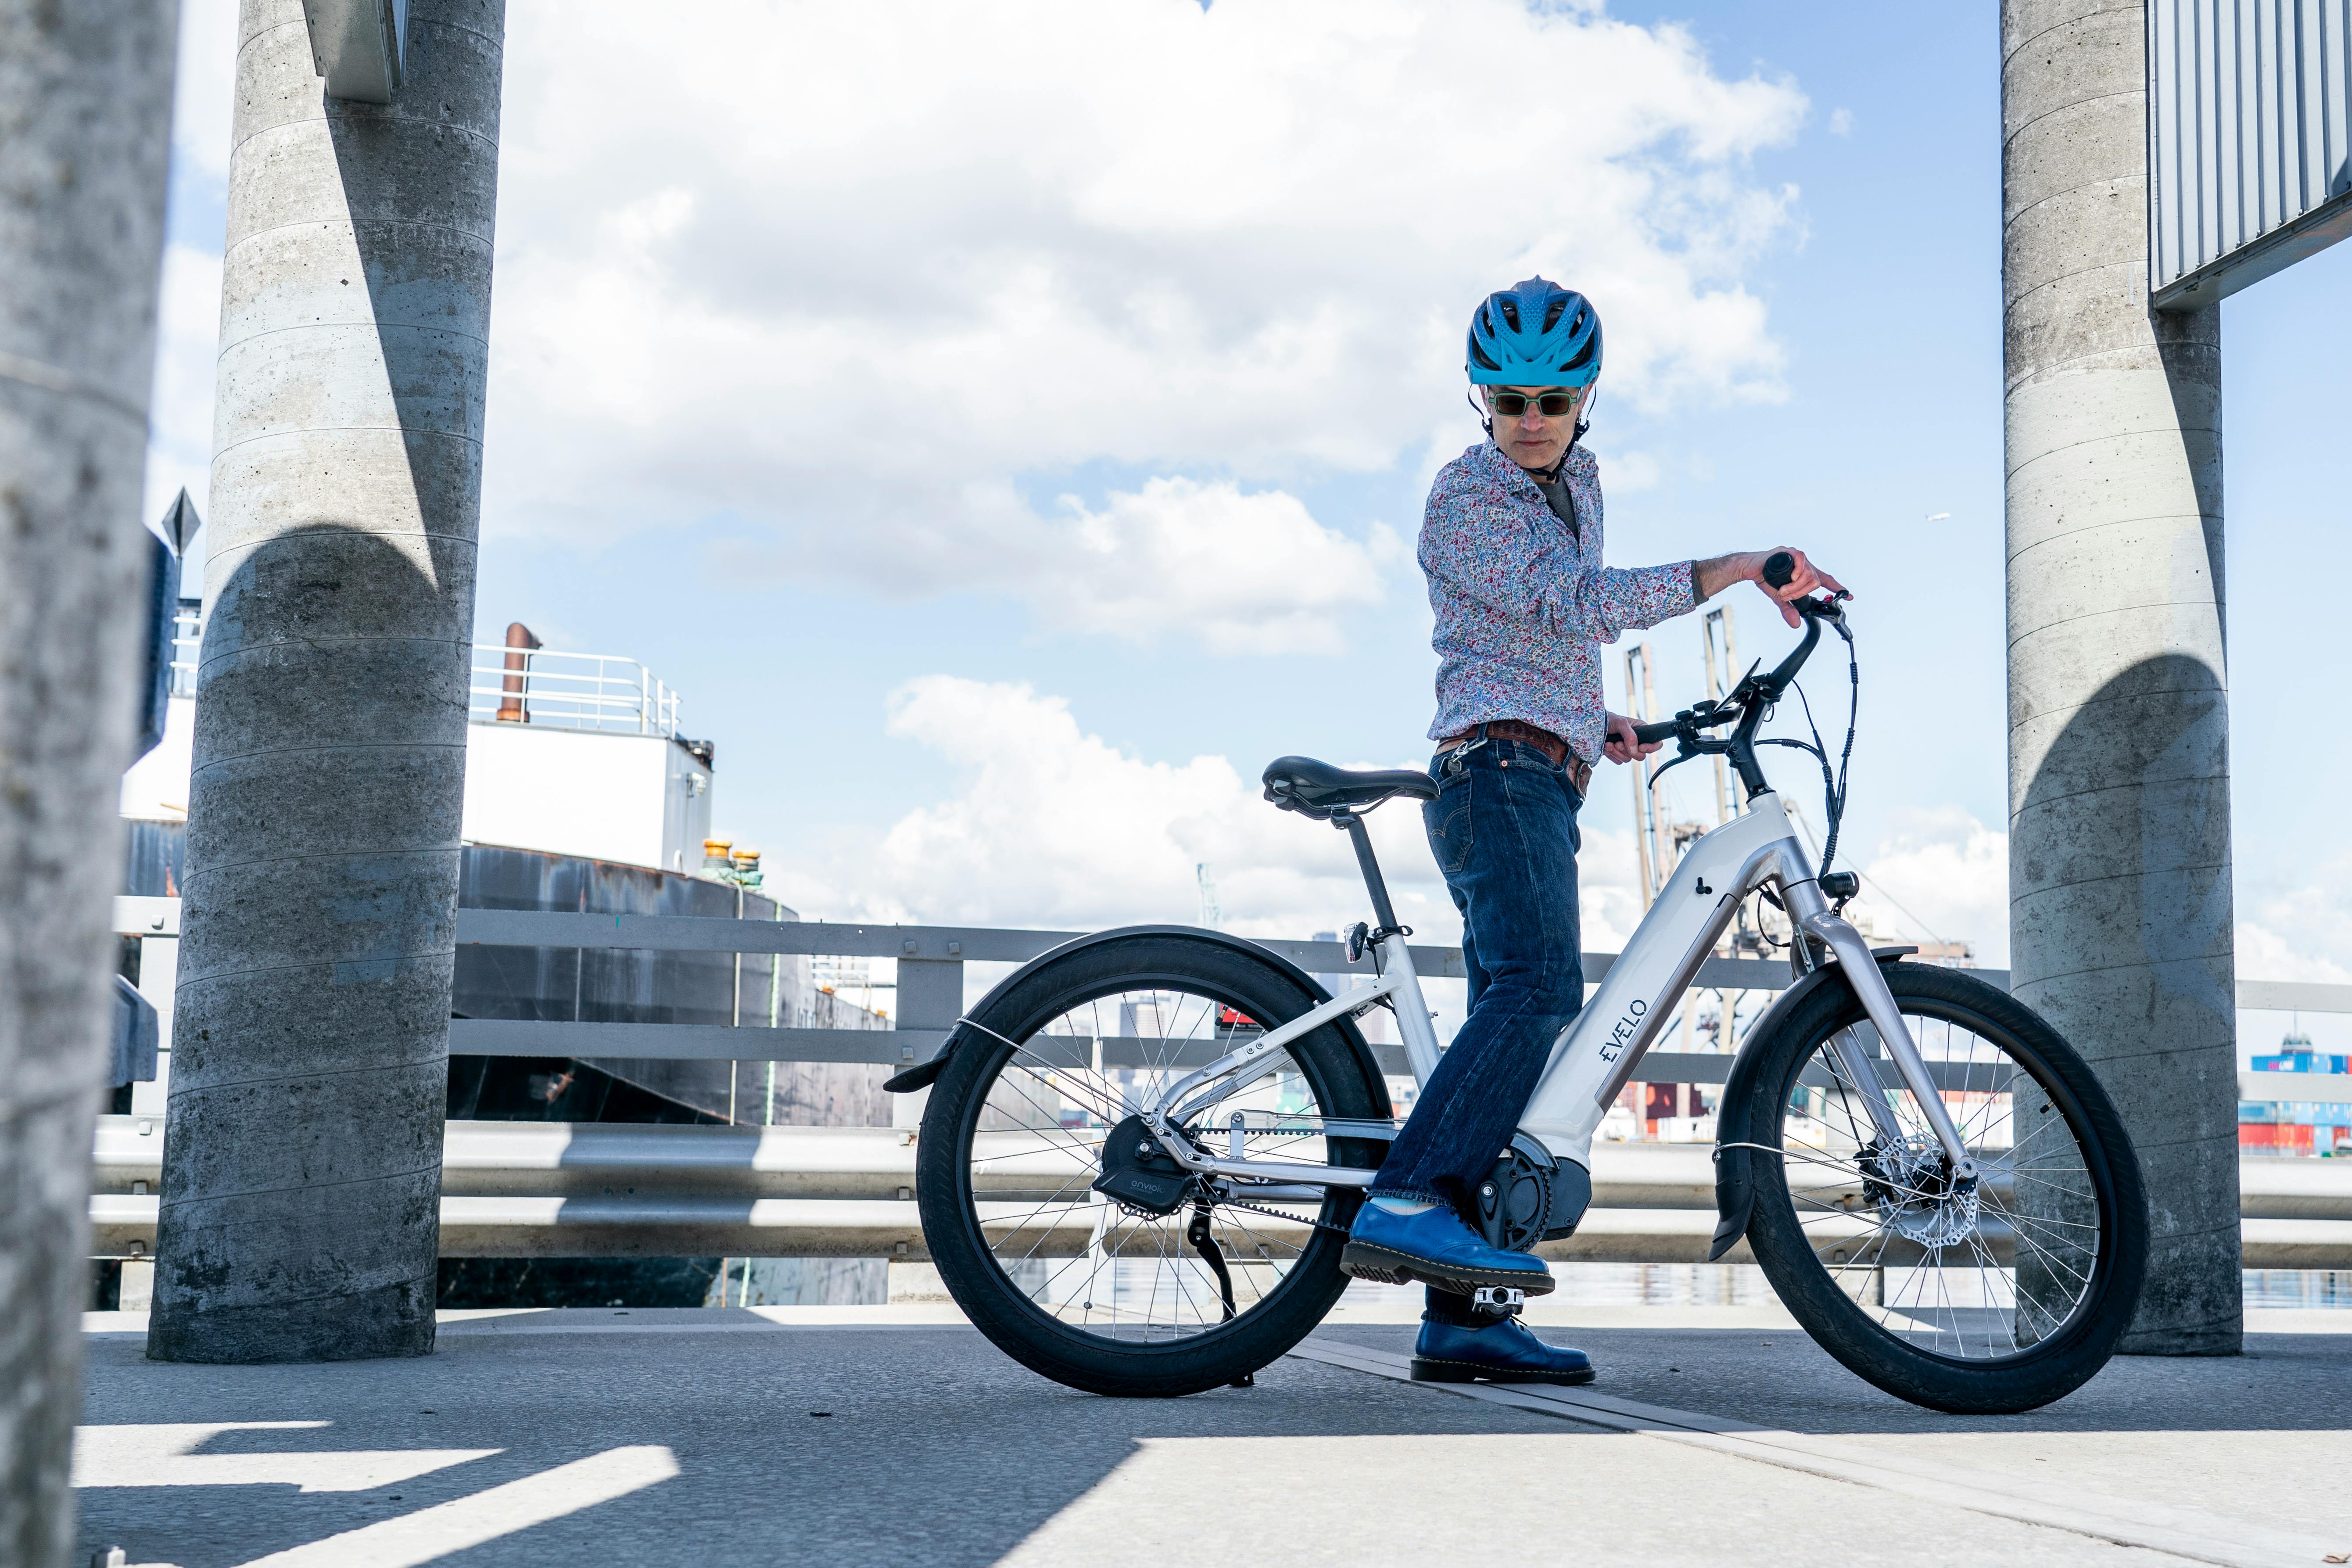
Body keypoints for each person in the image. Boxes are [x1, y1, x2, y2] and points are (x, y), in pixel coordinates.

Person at [1340, 277, 1844, 1385]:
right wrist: (1732, 570)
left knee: (1507, 1037)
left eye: (1553, 401)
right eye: (1509, 397)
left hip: (1540, 763)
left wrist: (1591, 718)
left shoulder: (1583, 479)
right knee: (1537, 993)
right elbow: (1572, 603)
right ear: (1480, 399)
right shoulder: (1463, 495)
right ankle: (1408, 1197)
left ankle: (1464, 1315)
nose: (1530, 418)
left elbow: (1526, 628)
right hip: (1495, 772)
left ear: (1586, 403)